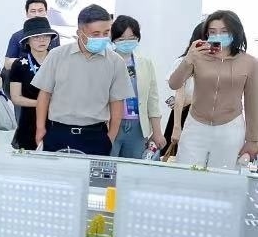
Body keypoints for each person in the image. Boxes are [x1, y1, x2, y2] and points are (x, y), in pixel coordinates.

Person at [31, 4, 132, 155]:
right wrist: (40, 128)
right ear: (79, 32)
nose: (101, 38)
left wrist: (110, 137)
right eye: (95, 34)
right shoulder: (57, 55)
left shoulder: (116, 62)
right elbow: (44, 95)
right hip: (59, 132)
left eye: (106, 33)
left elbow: (117, 104)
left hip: (96, 134)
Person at [168, 10, 258, 169]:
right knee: (187, 173)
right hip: (196, 126)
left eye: (224, 31)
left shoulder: (249, 62)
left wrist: (253, 140)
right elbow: (174, 84)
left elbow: (252, 103)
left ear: (235, 32)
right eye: (213, 32)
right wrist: (189, 58)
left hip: (230, 128)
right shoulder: (198, 56)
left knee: (223, 176)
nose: (218, 35)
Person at [108, 15, 165, 159]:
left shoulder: (145, 63)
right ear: (113, 39)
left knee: (132, 168)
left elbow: (152, 99)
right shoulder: (106, 62)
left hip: (138, 127)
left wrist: (157, 132)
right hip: (111, 123)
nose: (126, 42)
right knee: (108, 166)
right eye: (121, 39)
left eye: (132, 38)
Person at [9, 17, 57, 150]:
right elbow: (16, 98)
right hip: (29, 120)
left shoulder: (59, 61)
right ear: (27, 41)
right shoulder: (19, 64)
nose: (42, 40)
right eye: (36, 37)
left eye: (46, 36)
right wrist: (41, 104)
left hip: (56, 120)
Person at [163, 22, 204, 154]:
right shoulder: (183, 63)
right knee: (177, 155)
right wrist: (177, 126)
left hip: (204, 115)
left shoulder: (216, 65)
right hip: (184, 114)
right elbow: (179, 95)